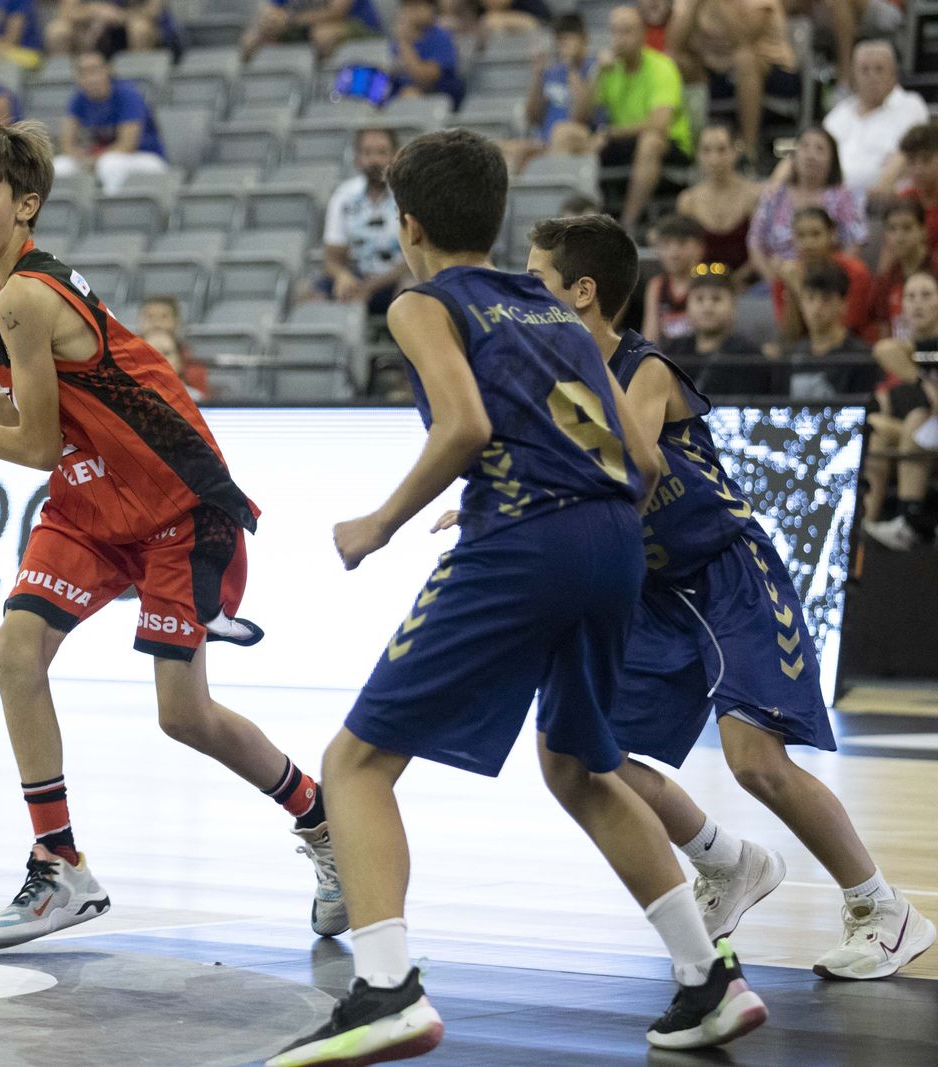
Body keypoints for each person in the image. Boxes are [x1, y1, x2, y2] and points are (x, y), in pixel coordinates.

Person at [271, 131, 765, 1066]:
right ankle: (709, 980)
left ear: (406, 223)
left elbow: (463, 424)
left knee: (356, 763)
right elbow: (645, 457)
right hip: (615, 542)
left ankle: (386, 990)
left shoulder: (423, 302)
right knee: (581, 764)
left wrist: (376, 522)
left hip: (525, 537)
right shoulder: (549, 306)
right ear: (494, 218)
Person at [0, 119, 347, 951]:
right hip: (95, 501)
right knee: (16, 649)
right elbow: (22, 415)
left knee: (183, 716)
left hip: (177, 506)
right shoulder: (1, 293)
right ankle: (60, 862)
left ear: (27, 204)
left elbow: (35, 445)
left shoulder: (23, 296)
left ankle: (325, 823)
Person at [529, 212, 935, 985]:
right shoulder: (557, 382)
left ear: (582, 293)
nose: (523, 291)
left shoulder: (642, 366)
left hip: (727, 575)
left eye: (536, 277)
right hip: (653, 591)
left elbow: (636, 466)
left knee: (757, 763)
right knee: (588, 754)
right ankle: (728, 860)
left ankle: (885, 909)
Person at [580, 6, 694, 233]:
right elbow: (579, 117)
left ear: (642, 34)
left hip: (671, 145)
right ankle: (576, 224)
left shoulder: (662, 67)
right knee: (567, 135)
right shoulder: (609, 70)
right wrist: (597, 74)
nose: (619, 39)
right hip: (623, 141)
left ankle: (627, 225)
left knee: (650, 142)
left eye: (626, 31)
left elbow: (659, 125)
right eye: (614, 32)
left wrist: (609, 133)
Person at [666, 0, 798, 167]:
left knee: (744, 59)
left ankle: (749, 151)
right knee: (676, 61)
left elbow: (744, 40)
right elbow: (673, 46)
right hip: (714, 70)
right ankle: (694, 147)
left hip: (770, 70)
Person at [864, 272, 938, 549]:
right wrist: (923, 382)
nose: (918, 303)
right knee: (875, 426)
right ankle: (865, 525)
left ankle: (911, 520)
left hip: (924, 426)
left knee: (915, 421)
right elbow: (883, 349)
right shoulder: (909, 350)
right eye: (910, 297)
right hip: (923, 433)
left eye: (926, 295)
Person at [748, 126, 866, 295]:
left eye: (819, 149)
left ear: (832, 159)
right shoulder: (774, 196)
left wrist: (826, 280)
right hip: (777, 281)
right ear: (793, 157)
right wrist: (776, 281)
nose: (811, 155)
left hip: (828, 284)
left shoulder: (845, 198)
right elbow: (755, 244)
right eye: (804, 147)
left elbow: (854, 245)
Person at [316, 127, 409, 316]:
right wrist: (343, 276)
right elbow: (331, 259)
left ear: (396, 156)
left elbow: (416, 259)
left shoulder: (408, 195)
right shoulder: (344, 196)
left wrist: (370, 287)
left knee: (411, 291)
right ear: (357, 158)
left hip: (396, 280)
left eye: (382, 152)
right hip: (357, 278)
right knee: (309, 296)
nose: (374, 160)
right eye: (367, 153)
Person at [55, 50, 168, 192]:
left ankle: (111, 211)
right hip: (98, 159)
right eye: (83, 73)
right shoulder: (78, 99)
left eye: (94, 70)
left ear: (107, 70)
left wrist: (93, 160)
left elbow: (127, 145)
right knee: (59, 166)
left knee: (110, 164)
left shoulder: (128, 95)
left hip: (145, 158)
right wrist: (79, 156)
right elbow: (66, 143)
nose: (91, 78)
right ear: (77, 77)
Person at [826, 40, 928, 197]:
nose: (872, 76)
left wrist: (876, 193)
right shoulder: (840, 112)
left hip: (886, 200)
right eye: (864, 70)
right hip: (835, 199)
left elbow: (907, 154)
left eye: (879, 69)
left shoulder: (910, 105)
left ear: (893, 75)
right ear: (853, 77)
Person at [675, 123, 762, 282]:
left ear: (735, 151)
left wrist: (734, 282)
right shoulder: (688, 200)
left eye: (721, 150)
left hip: (750, 284)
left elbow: (762, 247)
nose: (714, 159)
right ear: (698, 154)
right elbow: (685, 251)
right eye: (706, 151)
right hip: (703, 285)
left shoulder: (753, 195)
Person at [775, 205, 873, 343]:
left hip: (849, 349)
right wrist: (791, 293)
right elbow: (789, 335)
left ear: (831, 234)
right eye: (800, 235)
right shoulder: (786, 274)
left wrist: (798, 288)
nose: (808, 243)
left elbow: (848, 325)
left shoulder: (855, 272)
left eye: (816, 234)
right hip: (802, 350)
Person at [514, 12, 597, 165]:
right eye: (559, 40)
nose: (563, 46)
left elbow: (581, 117)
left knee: (561, 133)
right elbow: (531, 116)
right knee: (509, 150)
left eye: (568, 40)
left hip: (578, 139)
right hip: (544, 142)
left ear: (584, 40)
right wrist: (538, 76)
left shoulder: (594, 70)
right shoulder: (551, 73)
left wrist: (571, 68)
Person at [786, 262, 877, 398]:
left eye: (826, 299)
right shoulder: (791, 356)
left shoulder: (861, 357)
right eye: (810, 298)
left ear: (843, 303)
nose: (817, 308)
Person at [870, 199, 935, 339]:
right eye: (892, 229)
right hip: (903, 351)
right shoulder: (885, 280)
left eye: (907, 228)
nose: (899, 237)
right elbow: (885, 331)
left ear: (923, 230)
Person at [242, 0, 384, 63]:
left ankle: (324, 94)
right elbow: (274, 10)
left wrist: (290, 19)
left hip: (356, 25)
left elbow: (337, 11)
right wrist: (269, 21)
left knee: (322, 34)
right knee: (251, 38)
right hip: (303, 28)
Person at [389, 0, 465, 110]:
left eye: (417, 6)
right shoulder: (396, 43)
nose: (411, 12)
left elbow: (426, 77)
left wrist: (405, 43)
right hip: (401, 95)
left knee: (411, 95)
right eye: (408, 7)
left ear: (431, 8)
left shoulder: (441, 37)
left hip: (439, 97)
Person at [44, 0, 182, 58]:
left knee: (140, 29)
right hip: (94, 29)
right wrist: (95, 11)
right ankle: (65, 85)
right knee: (58, 31)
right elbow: (67, 12)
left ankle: (139, 77)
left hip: (134, 29)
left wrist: (119, 15)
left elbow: (153, 10)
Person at [643, 213, 703, 344]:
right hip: (666, 359)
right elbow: (650, 336)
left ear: (699, 248)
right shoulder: (656, 285)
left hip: (699, 360)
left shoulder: (706, 281)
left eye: (682, 244)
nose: (673, 252)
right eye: (666, 244)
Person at [895, 123, 938, 252]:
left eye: (926, 159)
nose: (918, 169)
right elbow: (887, 266)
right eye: (911, 161)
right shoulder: (903, 200)